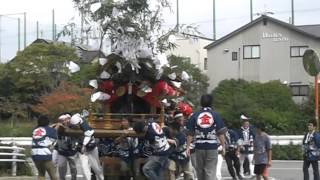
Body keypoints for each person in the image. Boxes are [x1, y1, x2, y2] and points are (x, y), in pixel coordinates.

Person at [186, 94, 227, 180]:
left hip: (199, 147)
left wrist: (187, 147)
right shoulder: (216, 115)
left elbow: (190, 133)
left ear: (201, 102)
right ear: (211, 103)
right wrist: (223, 146)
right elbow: (220, 133)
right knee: (210, 171)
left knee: (200, 171)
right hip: (212, 146)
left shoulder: (195, 115)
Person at [69, 113, 104, 180]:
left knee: (96, 167)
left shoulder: (85, 125)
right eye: (74, 125)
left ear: (79, 122)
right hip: (81, 150)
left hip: (91, 148)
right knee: (84, 168)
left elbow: (88, 136)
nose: (76, 126)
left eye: (76, 125)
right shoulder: (71, 125)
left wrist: (84, 145)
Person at [31, 115, 58, 180]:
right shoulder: (51, 130)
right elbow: (54, 140)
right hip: (45, 154)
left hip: (35, 154)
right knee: (52, 173)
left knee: (41, 173)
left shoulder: (35, 130)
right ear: (48, 122)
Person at [53, 113, 78, 180]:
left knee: (73, 167)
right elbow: (52, 132)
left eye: (65, 120)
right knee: (61, 166)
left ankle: (74, 178)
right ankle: (62, 178)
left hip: (72, 150)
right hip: (62, 151)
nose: (64, 121)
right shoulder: (58, 127)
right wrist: (58, 126)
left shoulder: (73, 126)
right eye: (61, 120)